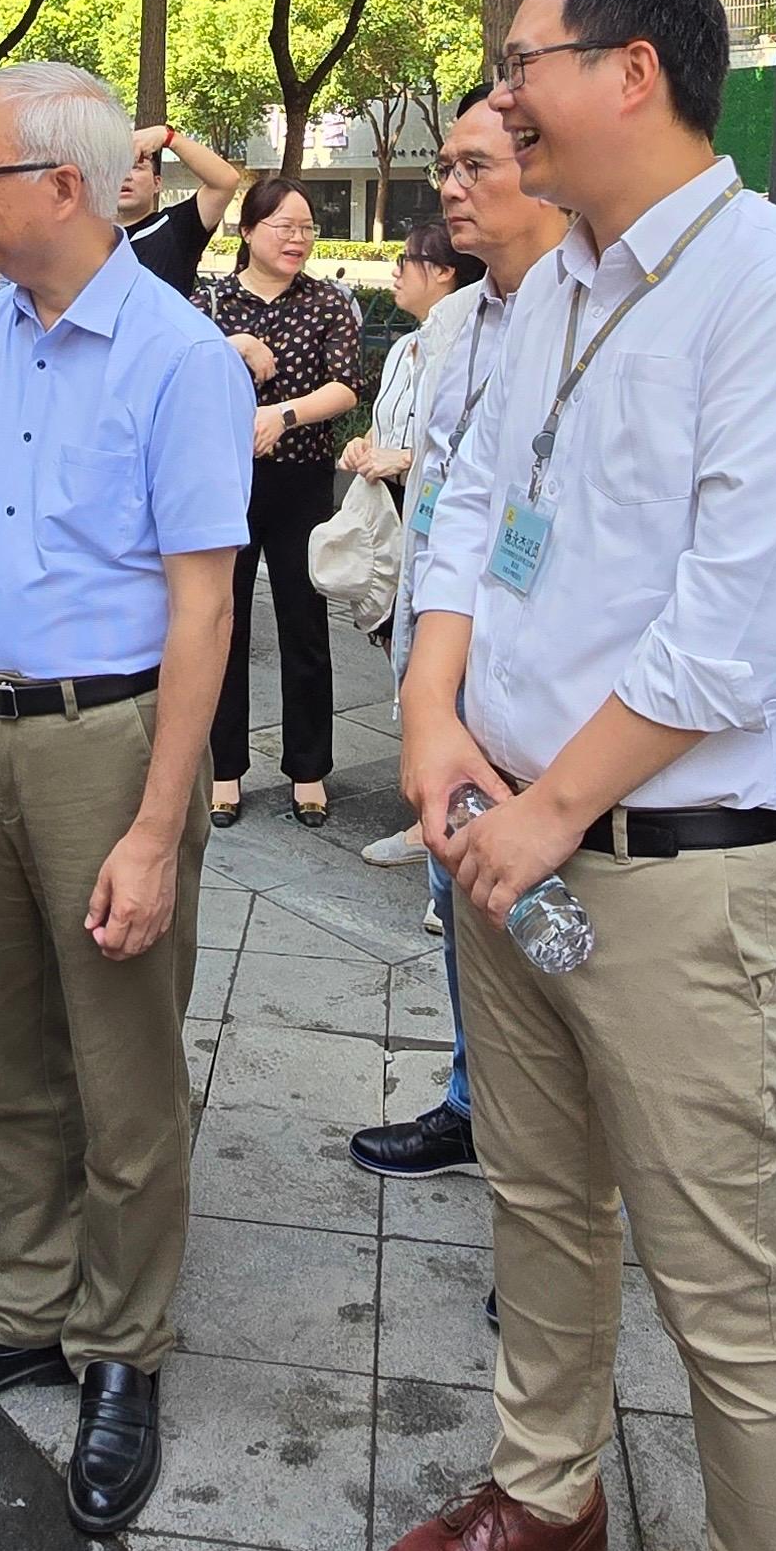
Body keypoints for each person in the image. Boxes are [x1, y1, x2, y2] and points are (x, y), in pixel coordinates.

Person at [367, 0, 776, 1551]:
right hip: (508, 825)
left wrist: (541, 807)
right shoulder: (553, 282)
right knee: (534, 1197)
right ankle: (549, 1492)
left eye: (522, 62)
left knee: (726, 1286)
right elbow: (463, 505)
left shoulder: (775, 297)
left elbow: (733, 628)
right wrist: (437, 711)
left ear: (630, 72)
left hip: (678, 871)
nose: (502, 95)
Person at [0, 61, 251, 1538]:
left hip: (106, 739)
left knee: (123, 1061)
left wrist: (160, 825)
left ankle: (119, 1348)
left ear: (63, 188)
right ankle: (20, 1304)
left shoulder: (179, 359)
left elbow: (205, 609)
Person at [345, 86, 569, 1192]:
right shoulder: (449, 321)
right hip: (443, 643)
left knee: (549, 922)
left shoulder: (590, 317)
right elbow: (442, 483)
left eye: (475, 164)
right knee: (457, 900)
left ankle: (553, 1164)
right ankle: (475, 1102)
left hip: (544, 675)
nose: (450, 186)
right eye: (446, 164)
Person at [195, 177, 365, 828]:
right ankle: (224, 768)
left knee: (304, 622)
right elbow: (180, 374)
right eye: (283, 226)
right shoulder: (209, 302)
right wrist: (231, 351)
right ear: (247, 230)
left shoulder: (327, 302)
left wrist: (282, 415)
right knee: (220, 624)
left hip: (301, 482)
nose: (297, 238)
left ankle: (308, 769)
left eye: (306, 228)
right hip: (222, 487)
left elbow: (346, 386)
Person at [344, 213, 481, 873]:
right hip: (401, 529)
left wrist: (404, 460)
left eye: (408, 260)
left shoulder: (471, 340)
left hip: (448, 532)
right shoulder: (407, 347)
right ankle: (429, 819)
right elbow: (386, 426)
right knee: (408, 668)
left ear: (444, 271)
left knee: (452, 683)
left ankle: (450, 831)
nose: (396, 271)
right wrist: (368, 448)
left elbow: (457, 448)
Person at [114, 119, 247, 297]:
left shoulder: (176, 227)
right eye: (115, 169)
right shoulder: (87, 237)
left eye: (137, 167)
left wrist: (169, 138)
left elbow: (226, 181)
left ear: (157, 183)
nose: (125, 176)